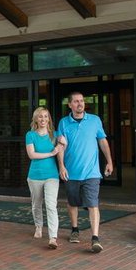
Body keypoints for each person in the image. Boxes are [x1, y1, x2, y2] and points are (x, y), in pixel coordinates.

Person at [56, 92, 114, 253]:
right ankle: (75, 229)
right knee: (73, 202)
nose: (80, 104)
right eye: (76, 101)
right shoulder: (63, 123)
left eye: (81, 101)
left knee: (93, 203)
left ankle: (95, 238)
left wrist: (109, 161)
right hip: (72, 172)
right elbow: (60, 146)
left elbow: (102, 141)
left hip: (92, 172)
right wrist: (61, 166)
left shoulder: (95, 120)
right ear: (70, 105)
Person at [26, 107, 60, 250]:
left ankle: (53, 237)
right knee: (36, 204)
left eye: (46, 116)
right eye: (40, 117)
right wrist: (51, 153)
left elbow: (63, 149)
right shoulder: (30, 135)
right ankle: (38, 226)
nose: (43, 119)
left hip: (52, 175)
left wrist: (64, 142)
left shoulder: (55, 134)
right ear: (36, 119)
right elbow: (32, 155)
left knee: (51, 205)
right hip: (35, 176)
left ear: (49, 119)